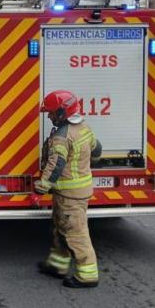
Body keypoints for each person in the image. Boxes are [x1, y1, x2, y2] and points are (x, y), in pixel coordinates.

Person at [34, 90, 102, 288]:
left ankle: (87, 276)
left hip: (70, 196)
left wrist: (42, 187)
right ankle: (57, 266)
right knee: (60, 229)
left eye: (52, 112)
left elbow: (55, 165)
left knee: (76, 234)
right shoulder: (84, 129)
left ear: (63, 112)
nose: (49, 116)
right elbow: (97, 151)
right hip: (72, 194)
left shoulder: (62, 137)